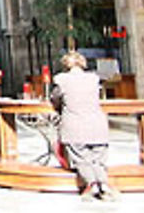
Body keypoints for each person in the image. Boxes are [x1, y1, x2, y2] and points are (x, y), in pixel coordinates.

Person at [51, 51, 119, 201]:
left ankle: (92, 184)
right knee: (98, 157)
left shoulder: (62, 80)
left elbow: (55, 98)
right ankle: (104, 184)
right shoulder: (94, 79)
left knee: (81, 157)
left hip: (75, 124)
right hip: (97, 124)